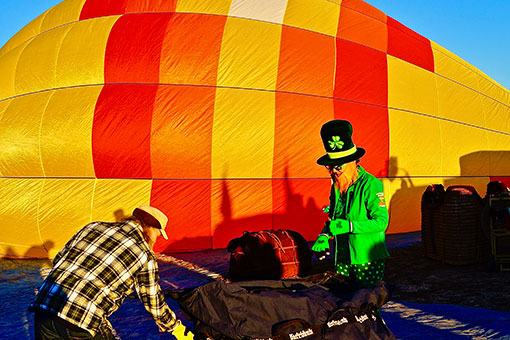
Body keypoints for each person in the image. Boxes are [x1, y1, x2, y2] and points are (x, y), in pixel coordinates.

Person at [28, 205, 193, 340]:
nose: (156, 240)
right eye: (158, 234)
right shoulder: (144, 255)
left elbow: (60, 260)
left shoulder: (92, 227)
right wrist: (174, 327)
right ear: (149, 228)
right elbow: (153, 300)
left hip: (44, 307)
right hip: (81, 319)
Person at [312, 120, 390, 288]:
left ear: (353, 162)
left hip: (366, 258)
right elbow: (333, 217)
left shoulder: (371, 184)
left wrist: (350, 226)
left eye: (337, 167)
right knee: (344, 302)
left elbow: (382, 222)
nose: (333, 172)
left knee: (365, 303)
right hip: (342, 257)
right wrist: (324, 235)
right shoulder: (337, 185)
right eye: (329, 167)